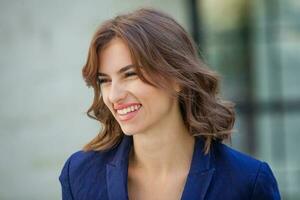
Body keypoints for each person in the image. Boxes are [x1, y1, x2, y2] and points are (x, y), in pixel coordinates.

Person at [59, 8, 280, 200]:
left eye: (130, 74)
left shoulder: (247, 182)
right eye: (104, 80)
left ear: (177, 79)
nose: (114, 96)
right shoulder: (79, 174)